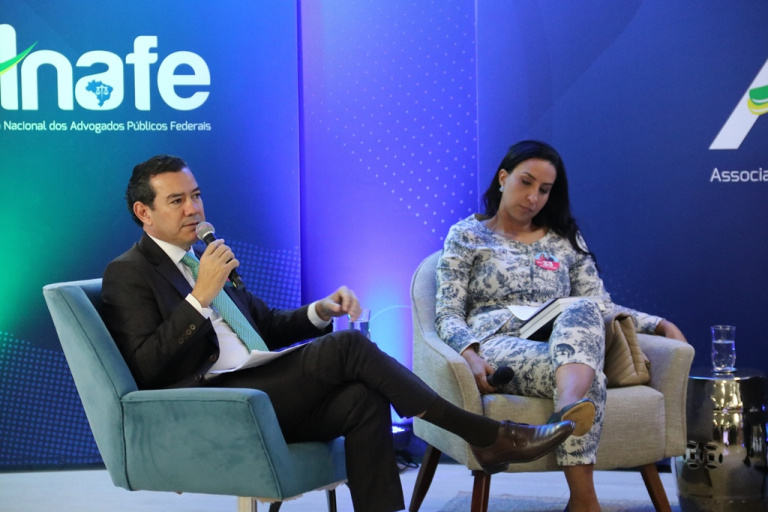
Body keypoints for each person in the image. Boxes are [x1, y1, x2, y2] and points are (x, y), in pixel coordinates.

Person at [101, 154, 575, 512]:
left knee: (361, 398)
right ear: (144, 212)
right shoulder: (129, 272)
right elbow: (146, 367)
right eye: (177, 200)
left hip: (260, 386)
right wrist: (199, 297)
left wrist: (319, 311)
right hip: (213, 403)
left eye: (196, 195)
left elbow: (263, 327)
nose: (193, 208)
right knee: (349, 345)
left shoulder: (201, 258)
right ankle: (486, 435)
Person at [434, 140, 687, 512]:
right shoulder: (467, 235)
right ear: (503, 178)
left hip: (561, 342)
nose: (533, 197)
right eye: (526, 182)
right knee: (589, 377)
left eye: (544, 190)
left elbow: (601, 305)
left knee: (582, 312)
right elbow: (447, 313)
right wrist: (470, 357)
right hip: (500, 342)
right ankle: (583, 495)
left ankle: (567, 409)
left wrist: (659, 324)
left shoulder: (564, 239)